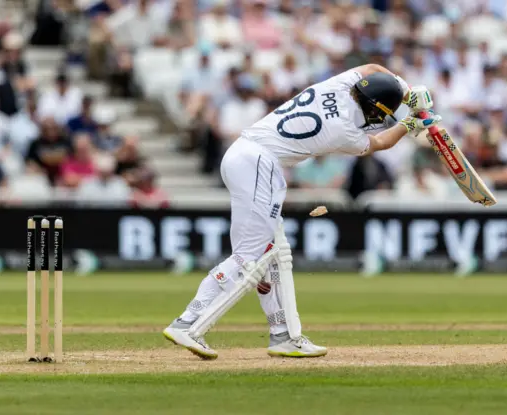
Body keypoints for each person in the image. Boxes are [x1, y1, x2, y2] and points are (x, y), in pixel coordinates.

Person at [163, 64, 440, 359]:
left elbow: (371, 68)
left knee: (273, 253)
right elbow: (380, 141)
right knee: (248, 257)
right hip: (259, 162)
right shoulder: (342, 130)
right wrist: (411, 122)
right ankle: (187, 322)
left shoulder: (338, 85)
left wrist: (408, 94)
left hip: (244, 156)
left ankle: (282, 334)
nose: (381, 118)